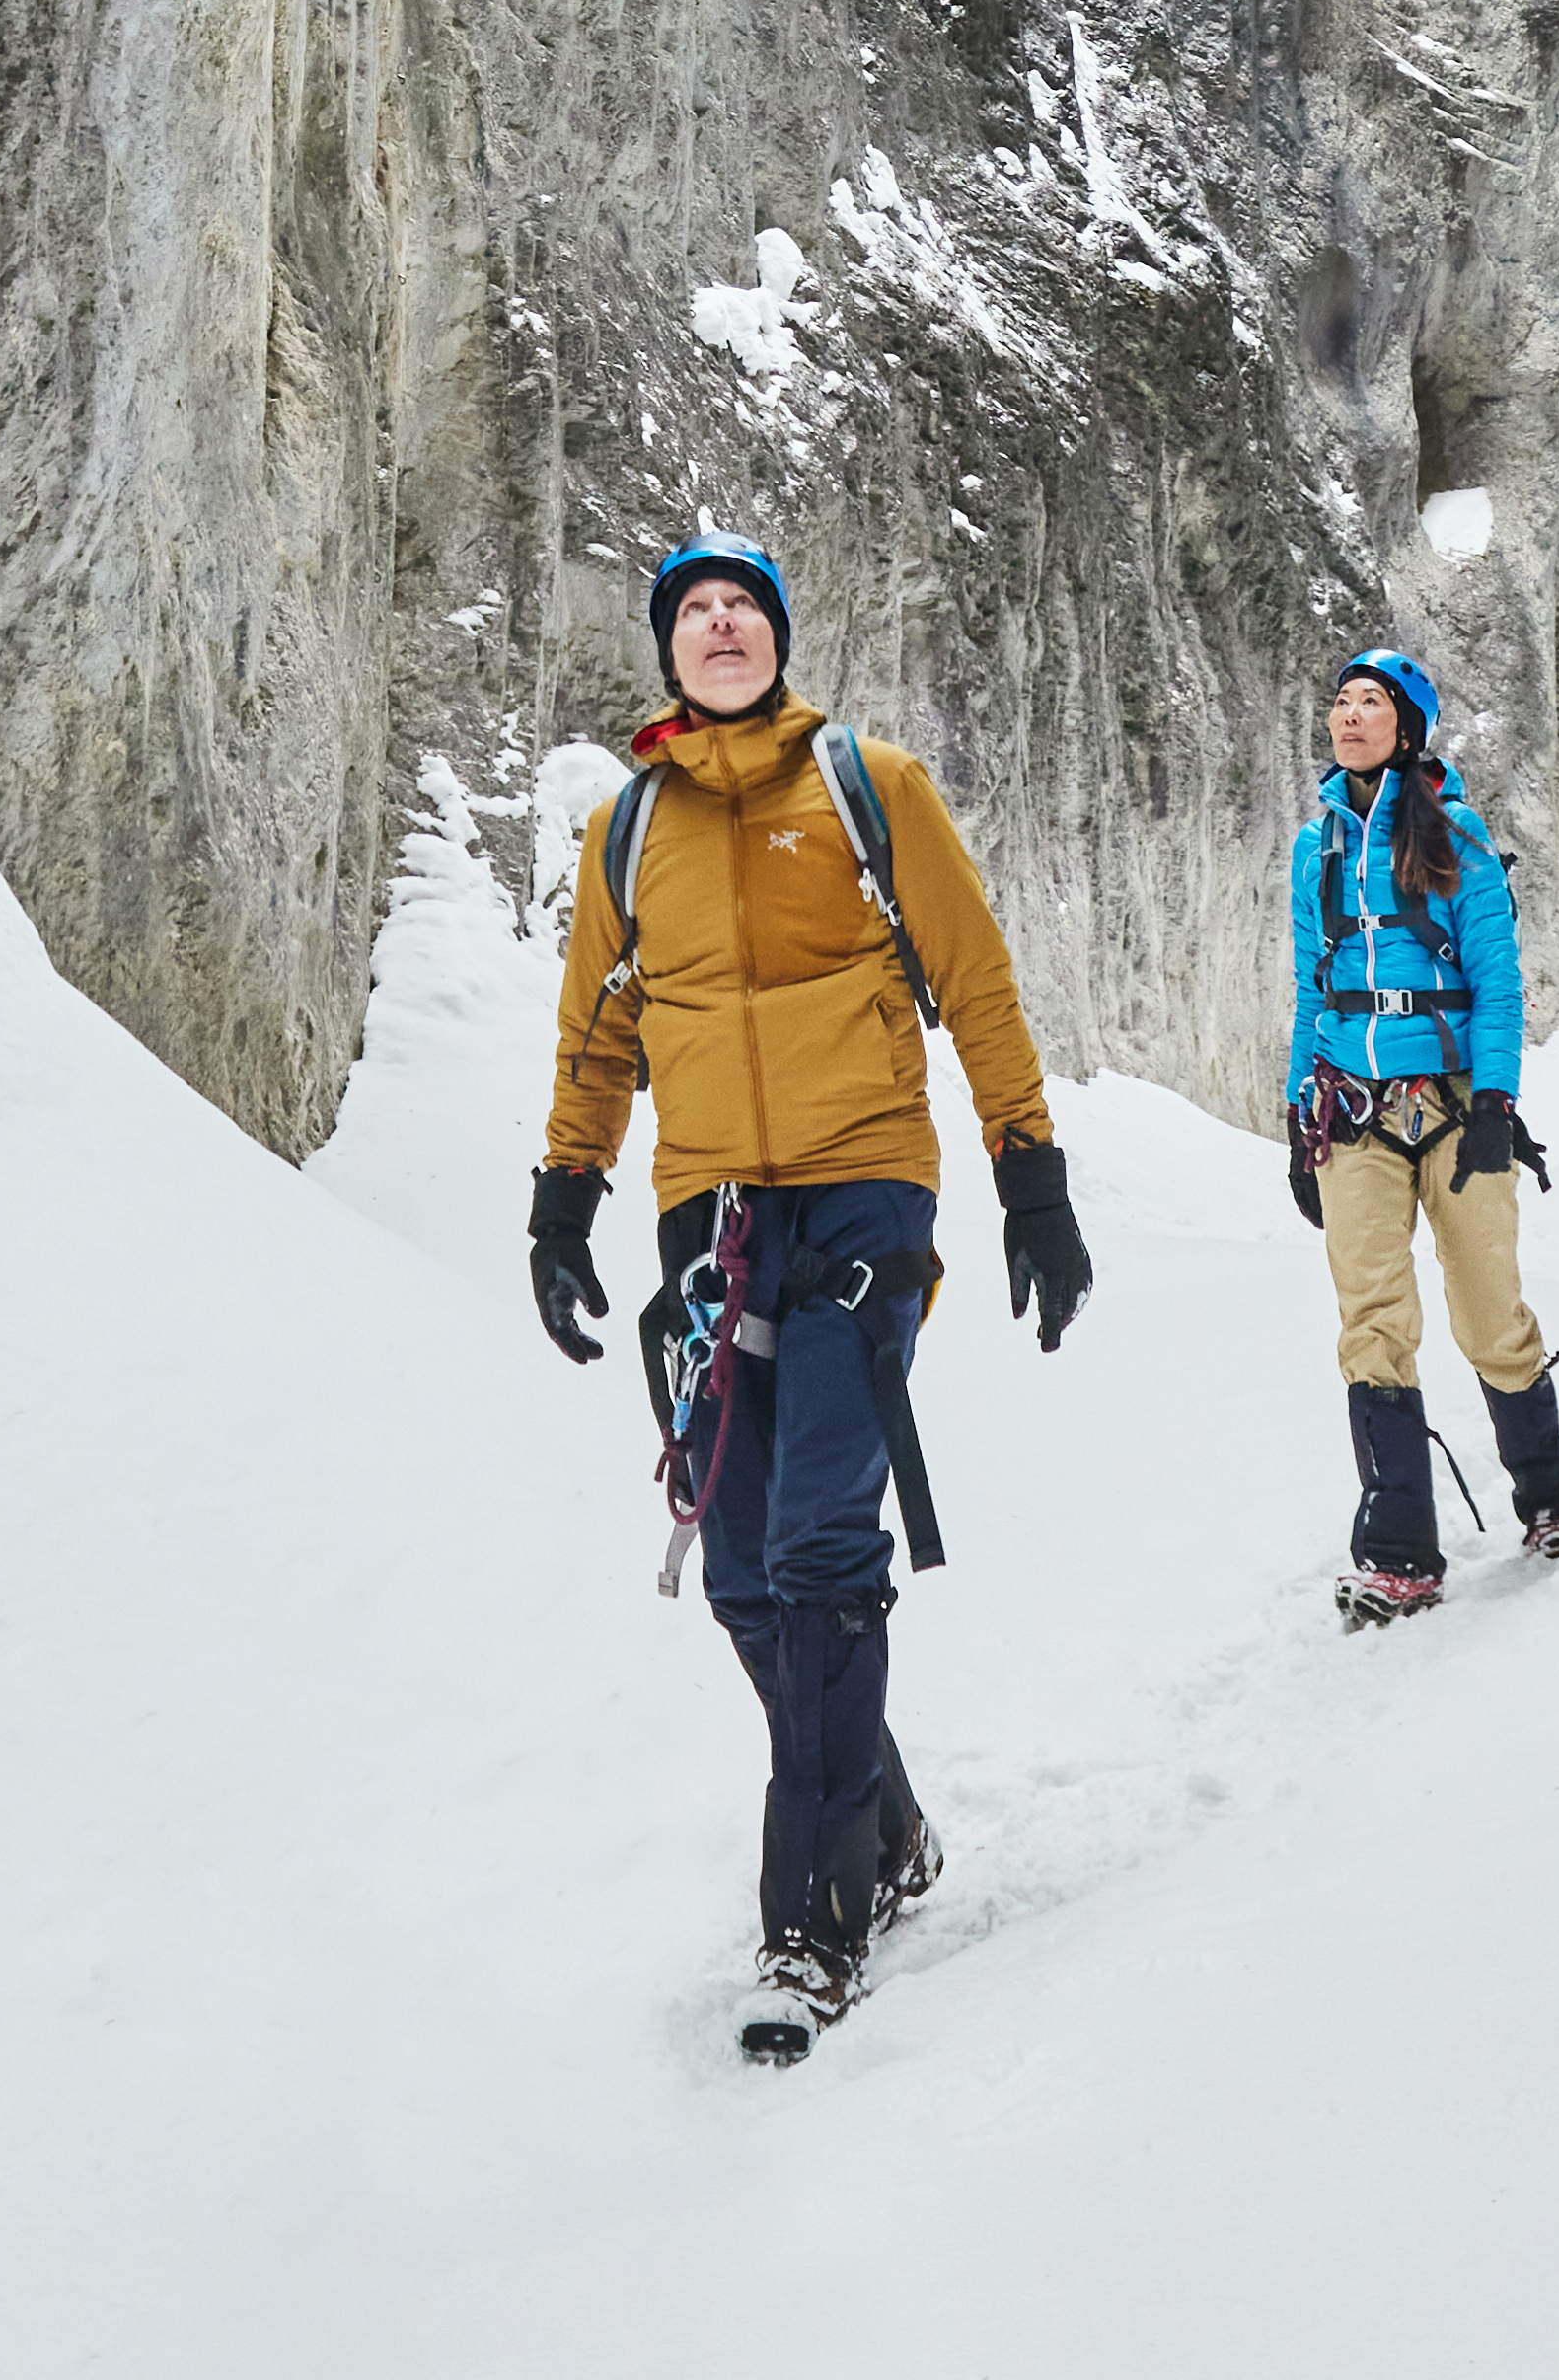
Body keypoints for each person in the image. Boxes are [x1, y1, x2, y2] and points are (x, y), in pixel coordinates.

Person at [527, 532, 1091, 2051]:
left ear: (778, 640)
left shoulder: (869, 786)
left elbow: (975, 981)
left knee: (824, 1539)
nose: (719, 628)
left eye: (742, 609)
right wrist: (562, 1200)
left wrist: (1030, 1180)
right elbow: (598, 1036)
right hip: (706, 1216)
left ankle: (813, 1925)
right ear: (668, 656)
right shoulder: (625, 833)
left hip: (861, 1190)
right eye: (693, 614)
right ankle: (886, 1829)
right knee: (737, 1571)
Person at [1289, 646, 1559, 1613]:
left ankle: (1545, 1497)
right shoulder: (1315, 849)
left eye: (1369, 702)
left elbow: (1497, 986)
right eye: (1338, 701)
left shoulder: (1454, 836)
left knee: (1488, 1309)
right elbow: (1308, 989)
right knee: (1371, 1325)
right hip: (1352, 1110)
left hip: (1454, 1107)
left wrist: (1495, 1104)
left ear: (1406, 726)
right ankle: (1400, 1553)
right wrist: (1299, 1114)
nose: (1348, 715)